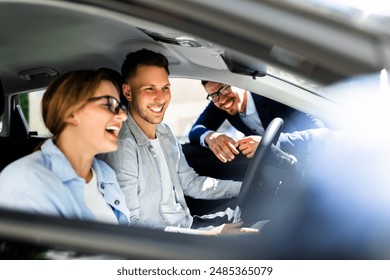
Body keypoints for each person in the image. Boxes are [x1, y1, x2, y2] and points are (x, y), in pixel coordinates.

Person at [98, 49, 259, 235]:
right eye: (149, 89)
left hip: (187, 225)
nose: (161, 98)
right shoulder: (124, 145)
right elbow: (132, 225)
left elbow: (190, 183)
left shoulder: (164, 132)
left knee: (260, 212)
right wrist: (209, 235)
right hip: (167, 241)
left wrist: (245, 187)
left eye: (165, 88)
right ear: (127, 91)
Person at [0, 69, 130, 225]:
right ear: (70, 113)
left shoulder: (105, 173)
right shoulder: (26, 180)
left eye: (120, 107)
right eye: (109, 104)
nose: (123, 116)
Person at [189, 81, 326, 163]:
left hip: (311, 160)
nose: (222, 100)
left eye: (225, 88)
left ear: (239, 83)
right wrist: (211, 137)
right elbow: (196, 130)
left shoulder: (274, 94)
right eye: (213, 95)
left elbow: (320, 133)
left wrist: (267, 144)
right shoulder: (218, 103)